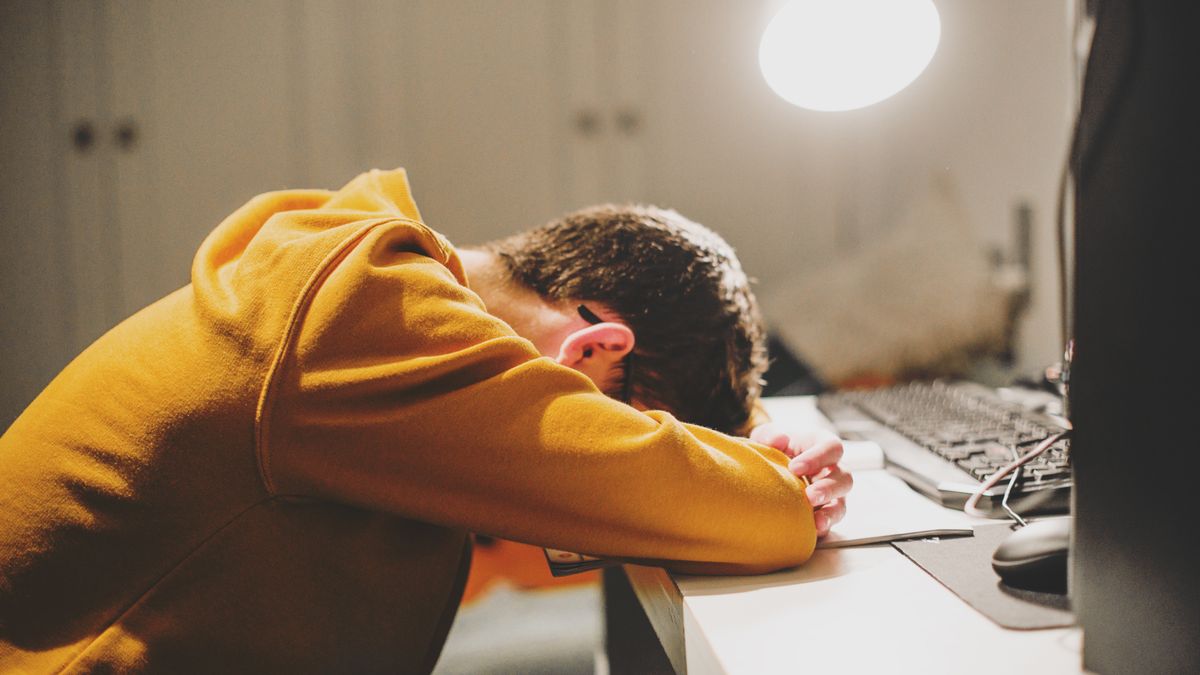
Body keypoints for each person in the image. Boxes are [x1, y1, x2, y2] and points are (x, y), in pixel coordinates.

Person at [0, 168, 851, 673]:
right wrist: (773, 491)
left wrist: (754, 450)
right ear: (595, 349)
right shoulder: (365, 313)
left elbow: (664, 471)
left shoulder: (359, 279)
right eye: (629, 420)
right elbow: (741, 514)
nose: (621, 439)